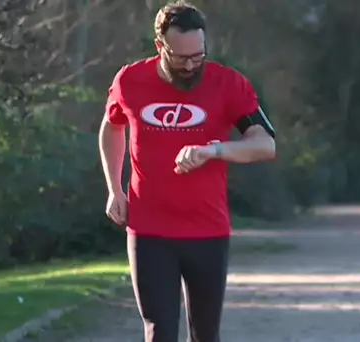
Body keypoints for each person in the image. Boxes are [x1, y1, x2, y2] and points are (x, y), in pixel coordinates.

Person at [98, 1, 276, 341]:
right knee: (159, 331)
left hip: (207, 230)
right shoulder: (130, 81)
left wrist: (213, 150)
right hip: (149, 230)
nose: (192, 65)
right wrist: (114, 189)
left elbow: (265, 145)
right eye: (182, 58)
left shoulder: (229, 85)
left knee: (205, 335)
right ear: (160, 46)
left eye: (199, 55)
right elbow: (112, 126)